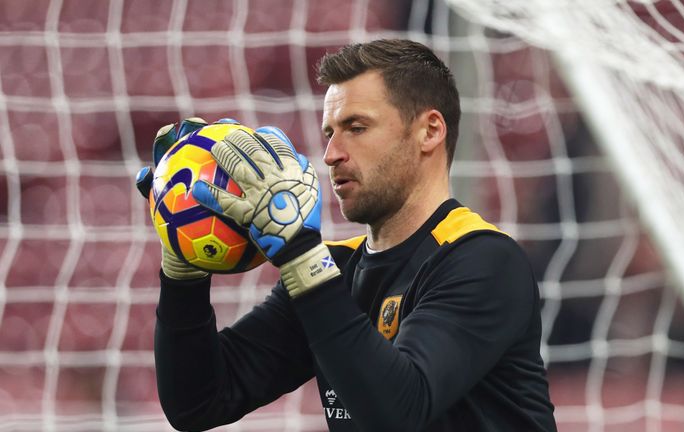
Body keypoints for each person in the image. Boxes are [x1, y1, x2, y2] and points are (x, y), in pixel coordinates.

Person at [136, 39, 557, 431]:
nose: (331, 154)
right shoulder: (336, 267)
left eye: (356, 127)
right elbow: (198, 403)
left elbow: (398, 411)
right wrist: (183, 275)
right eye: (329, 133)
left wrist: (302, 257)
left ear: (430, 131)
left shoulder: (482, 260)